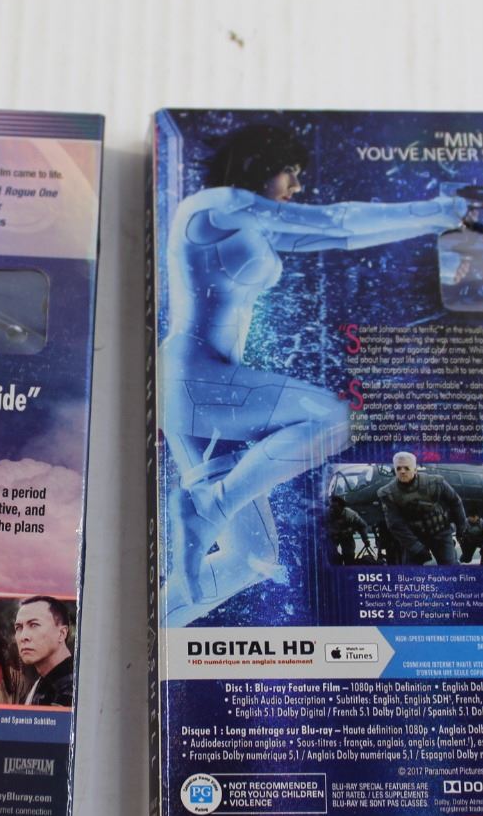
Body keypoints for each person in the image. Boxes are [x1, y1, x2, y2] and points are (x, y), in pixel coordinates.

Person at [160, 123, 466, 623]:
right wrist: (436, 208)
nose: (297, 186)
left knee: (250, 556)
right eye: (291, 172)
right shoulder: (215, 205)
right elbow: (336, 218)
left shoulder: (247, 221)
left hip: (204, 392)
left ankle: (156, 628)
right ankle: (209, 507)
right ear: (260, 164)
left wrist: (436, 219)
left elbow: (342, 234)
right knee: (337, 419)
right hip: (195, 379)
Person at [376, 453, 467, 565]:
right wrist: (416, 547)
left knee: (450, 566)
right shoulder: (388, 493)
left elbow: (455, 502)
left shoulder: (435, 483)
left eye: (406, 468)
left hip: (440, 532)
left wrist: (461, 528)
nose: (402, 471)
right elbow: (395, 524)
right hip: (414, 537)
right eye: (398, 468)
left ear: (415, 469)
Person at [12, 596, 74, 707]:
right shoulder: (43, 681)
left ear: (61, 634)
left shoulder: (73, 686)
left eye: (34, 625)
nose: (23, 636)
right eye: (19, 627)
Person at [325, 495, 371, 565]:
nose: (332, 510)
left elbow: (362, 526)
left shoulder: (351, 515)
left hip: (346, 537)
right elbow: (319, 527)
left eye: (335, 508)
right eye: (331, 507)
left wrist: (365, 539)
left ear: (341, 507)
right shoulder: (326, 513)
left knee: (349, 556)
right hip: (332, 537)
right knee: (331, 554)